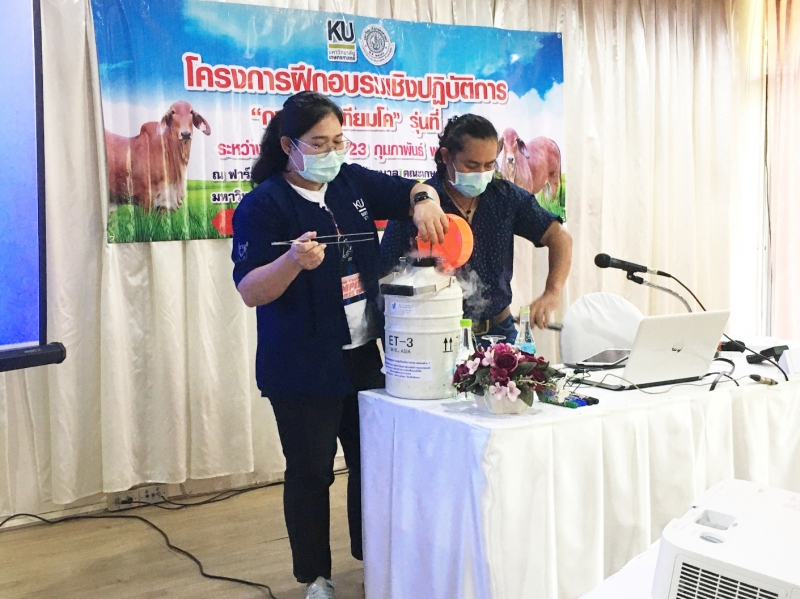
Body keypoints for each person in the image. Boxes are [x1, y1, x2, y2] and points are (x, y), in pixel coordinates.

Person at [231, 91, 448, 599]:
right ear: (288, 146)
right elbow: (250, 290)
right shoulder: (263, 205)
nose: (332, 152)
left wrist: (425, 202)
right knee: (311, 472)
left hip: (362, 354)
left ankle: (373, 557)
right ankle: (315, 577)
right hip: (301, 363)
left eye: (338, 140)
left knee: (371, 463)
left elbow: (415, 189)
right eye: (319, 143)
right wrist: (291, 263)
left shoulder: (350, 182)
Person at [380, 114, 572, 345]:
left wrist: (552, 292)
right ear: (446, 156)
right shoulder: (420, 203)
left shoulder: (505, 197)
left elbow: (559, 237)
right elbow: (384, 272)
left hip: (499, 332)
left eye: (489, 165)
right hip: (435, 334)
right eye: (471, 165)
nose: (481, 173)